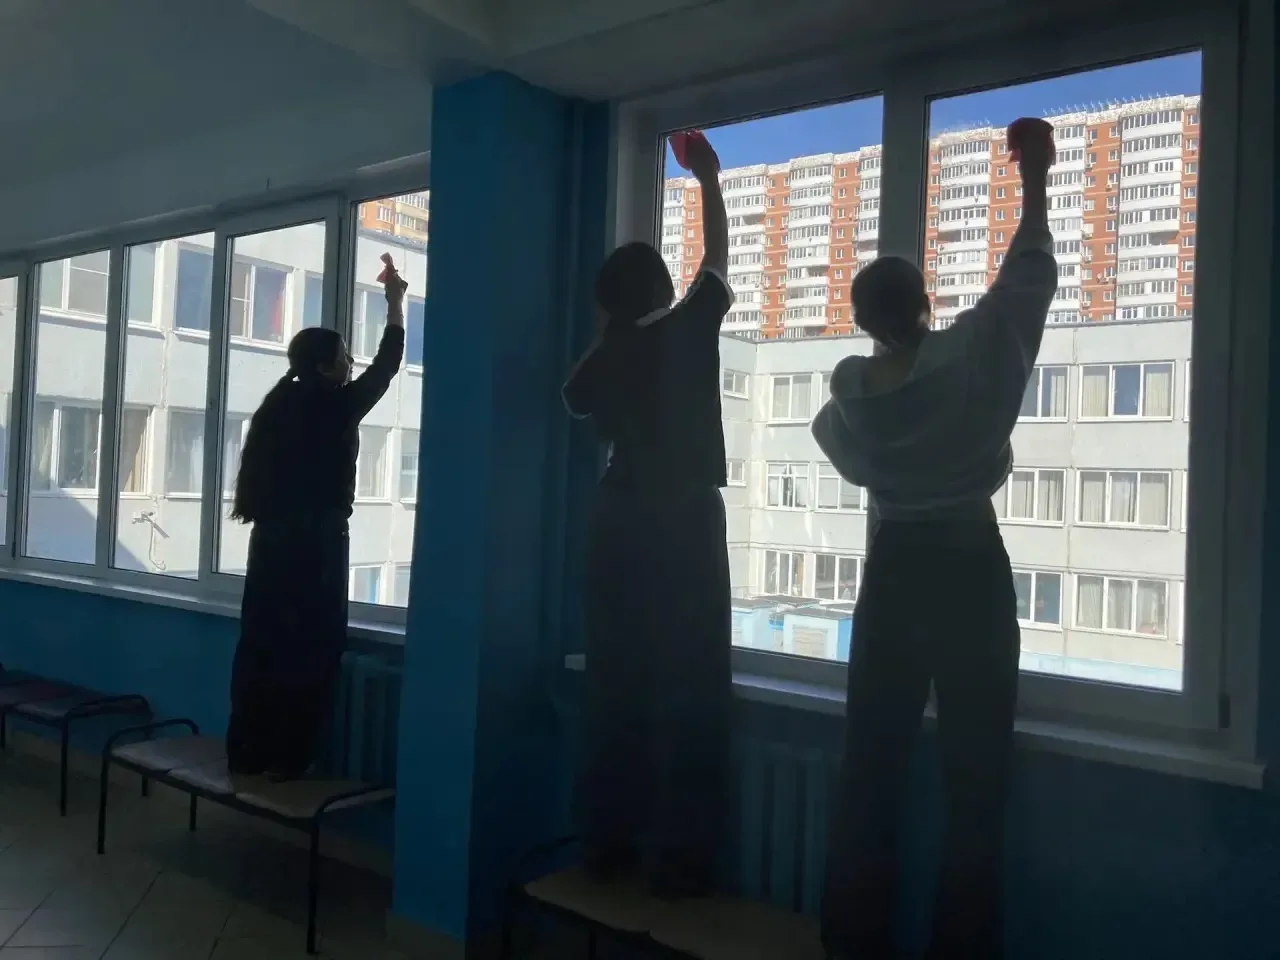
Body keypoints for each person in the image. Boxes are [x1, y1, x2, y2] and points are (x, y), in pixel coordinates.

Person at [813, 120, 1057, 959]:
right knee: (975, 779)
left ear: (862, 320)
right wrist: (1035, 176)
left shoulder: (850, 396)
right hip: (968, 570)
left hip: (895, 573)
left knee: (870, 766)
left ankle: (852, 944)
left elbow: (839, 449)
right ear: (924, 305)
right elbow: (1027, 280)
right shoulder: (970, 358)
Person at [563, 132, 734, 898]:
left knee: (616, 680)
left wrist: (611, 331)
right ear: (661, 286)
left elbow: (572, 396)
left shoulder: (612, 352)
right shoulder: (689, 326)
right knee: (689, 682)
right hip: (684, 520)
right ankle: (680, 864)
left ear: (608, 302)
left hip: (619, 517)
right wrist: (708, 178)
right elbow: (718, 259)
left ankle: (607, 846)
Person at [225, 265, 408, 780]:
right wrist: (395, 304)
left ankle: (247, 753)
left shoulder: (278, 405)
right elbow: (387, 366)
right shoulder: (334, 406)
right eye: (345, 356)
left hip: (270, 542)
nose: (351, 363)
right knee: (310, 648)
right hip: (316, 544)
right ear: (328, 367)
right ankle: (288, 759)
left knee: (262, 643)